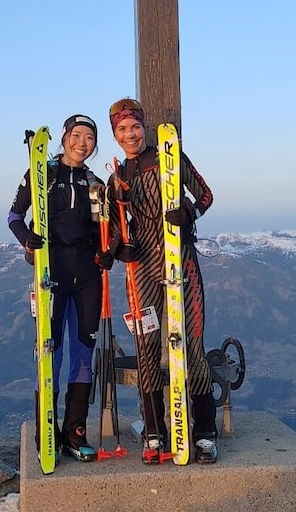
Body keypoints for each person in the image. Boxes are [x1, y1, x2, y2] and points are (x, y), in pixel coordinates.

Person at [106, 97, 219, 464]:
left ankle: (204, 432)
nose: (130, 134)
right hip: (142, 270)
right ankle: (155, 431)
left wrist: (190, 212)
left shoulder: (171, 159)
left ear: (144, 128)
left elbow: (205, 194)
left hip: (180, 262)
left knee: (191, 346)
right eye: (122, 129)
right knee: (147, 349)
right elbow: (111, 229)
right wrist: (119, 248)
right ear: (115, 135)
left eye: (135, 127)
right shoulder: (117, 177)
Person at [7, 114, 111, 462]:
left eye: (89, 138)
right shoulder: (43, 175)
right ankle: (46, 433)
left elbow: (104, 231)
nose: (83, 143)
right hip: (51, 273)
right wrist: (29, 241)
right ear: (65, 138)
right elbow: (14, 216)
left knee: (83, 353)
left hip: (87, 276)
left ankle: (75, 433)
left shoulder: (96, 183)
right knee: (49, 353)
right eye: (77, 135)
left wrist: (106, 252)